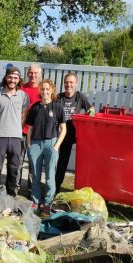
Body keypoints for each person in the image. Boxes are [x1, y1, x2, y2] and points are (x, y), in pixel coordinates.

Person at [26, 80, 66, 216]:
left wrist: (56, 146)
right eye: (42, 89)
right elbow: (30, 128)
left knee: (50, 177)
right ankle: (36, 201)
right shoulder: (35, 107)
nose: (45, 92)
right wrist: (29, 144)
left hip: (51, 144)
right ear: (39, 91)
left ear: (52, 90)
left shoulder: (57, 107)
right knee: (35, 176)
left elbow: (63, 129)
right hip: (36, 144)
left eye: (47, 89)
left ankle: (47, 204)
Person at [0, 67, 29, 196]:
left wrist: (16, 128)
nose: (12, 80)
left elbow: (24, 116)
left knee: (13, 168)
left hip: (16, 138)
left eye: (15, 78)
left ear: (19, 80)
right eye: (10, 77)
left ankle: (11, 195)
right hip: (0, 137)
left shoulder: (23, 96)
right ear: (6, 78)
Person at [55, 72, 94, 192]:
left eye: (71, 82)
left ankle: (81, 187)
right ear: (63, 84)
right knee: (59, 164)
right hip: (61, 135)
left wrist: (90, 113)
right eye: (66, 82)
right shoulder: (58, 98)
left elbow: (91, 108)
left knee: (75, 163)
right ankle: (56, 188)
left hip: (75, 135)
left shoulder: (80, 97)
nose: (68, 85)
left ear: (76, 84)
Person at [18, 64, 42, 194]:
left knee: (33, 163)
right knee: (18, 162)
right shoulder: (22, 89)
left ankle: (31, 189)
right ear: (27, 74)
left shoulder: (43, 90)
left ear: (39, 74)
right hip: (22, 131)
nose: (33, 75)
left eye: (35, 73)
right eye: (31, 73)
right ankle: (15, 187)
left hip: (37, 134)